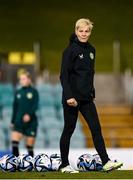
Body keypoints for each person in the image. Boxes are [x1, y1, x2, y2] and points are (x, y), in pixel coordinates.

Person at [59, 18, 123, 173]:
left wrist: (92, 92)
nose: (83, 34)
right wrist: (69, 96)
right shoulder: (69, 51)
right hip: (72, 99)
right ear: (76, 31)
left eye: (86, 31)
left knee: (96, 128)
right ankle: (64, 165)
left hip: (87, 98)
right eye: (80, 31)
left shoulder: (92, 50)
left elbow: (89, 74)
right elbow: (64, 76)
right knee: (69, 129)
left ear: (90, 32)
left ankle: (106, 162)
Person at [11, 70, 39, 157]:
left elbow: (35, 105)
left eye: (24, 79)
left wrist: (29, 115)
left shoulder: (34, 92)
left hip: (31, 123)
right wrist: (12, 121)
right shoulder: (18, 92)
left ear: (29, 80)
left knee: (29, 145)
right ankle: (16, 162)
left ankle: (31, 163)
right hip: (18, 121)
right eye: (21, 79)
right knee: (14, 141)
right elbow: (15, 107)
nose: (21, 81)